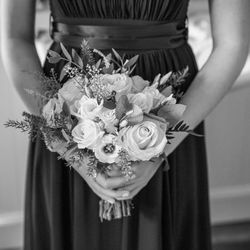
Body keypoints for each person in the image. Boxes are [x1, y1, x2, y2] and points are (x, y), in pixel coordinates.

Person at [1, 0, 249, 249]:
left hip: (169, 107)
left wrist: (157, 146)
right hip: (67, 105)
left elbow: (232, 43)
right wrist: (67, 145)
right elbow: (15, 38)